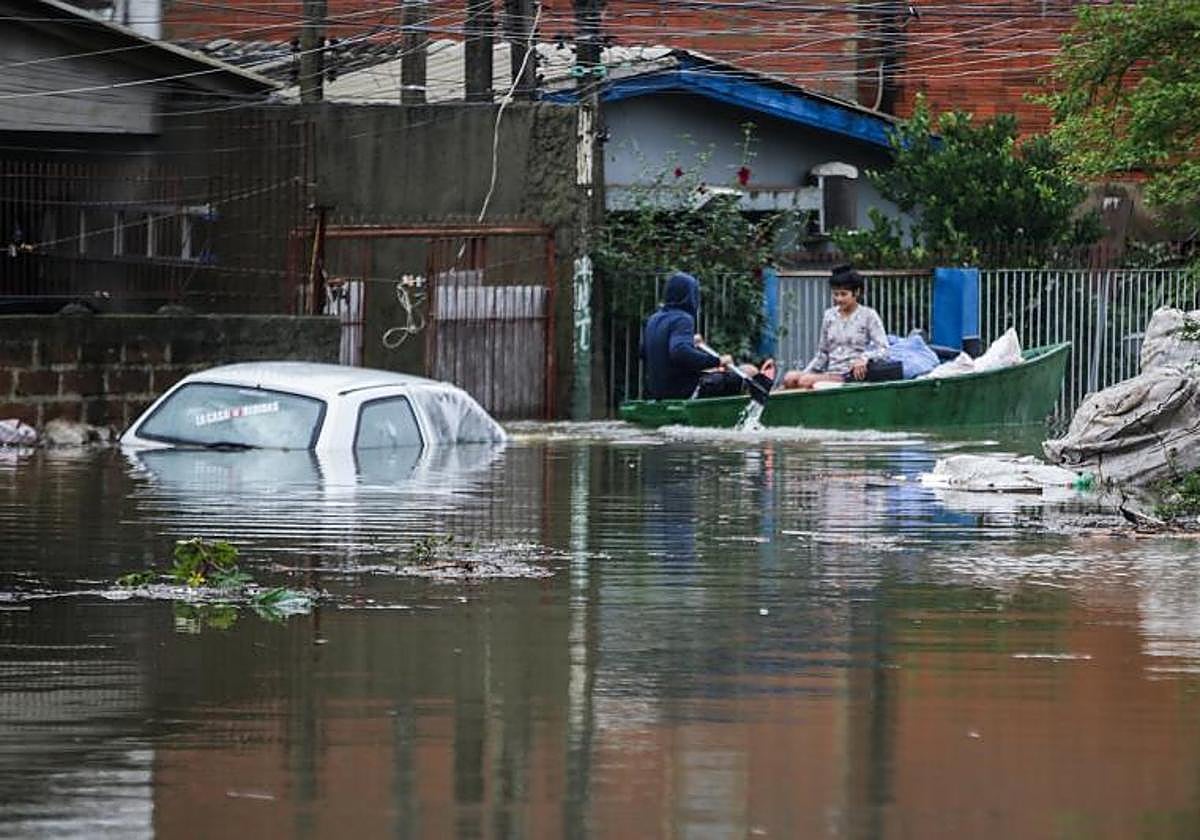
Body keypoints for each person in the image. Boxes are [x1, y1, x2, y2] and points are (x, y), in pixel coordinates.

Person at [786, 264, 893, 389]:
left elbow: (884, 350)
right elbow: (822, 353)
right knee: (790, 377)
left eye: (843, 294)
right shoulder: (829, 315)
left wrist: (864, 358)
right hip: (831, 372)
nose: (839, 299)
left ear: (856, 292)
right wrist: (807, 372)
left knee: (805, 381)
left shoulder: (868, 315)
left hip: (850, 375)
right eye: (835, 294)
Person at [641, 271, 733, 399]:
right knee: (740, 375)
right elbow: (680, 351)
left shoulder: (654, 319)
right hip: (682, 390)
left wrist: (690, 341)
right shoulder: (683, 318)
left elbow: (645, 350)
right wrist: (718, 361)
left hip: (657, 391)